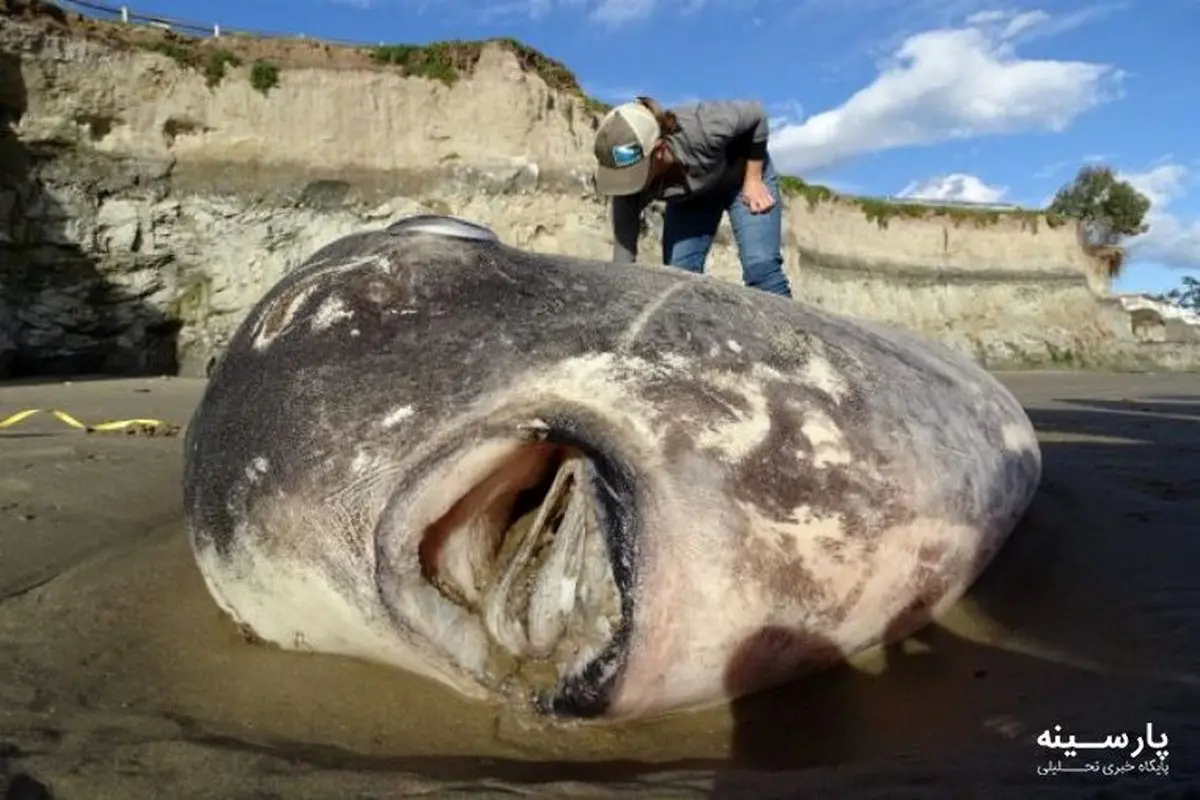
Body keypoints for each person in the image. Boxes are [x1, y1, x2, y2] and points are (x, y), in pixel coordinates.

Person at [591, 96, 793, 298]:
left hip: (742, 179)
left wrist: (753, 179)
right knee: (678, 278)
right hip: (694, 198)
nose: (629, 182)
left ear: (659, 151)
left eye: (634, 173)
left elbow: (756, 114)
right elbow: (623, 262)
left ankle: (793, 330)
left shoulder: (701, 127)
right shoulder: (628, 190)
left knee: (762, 269)